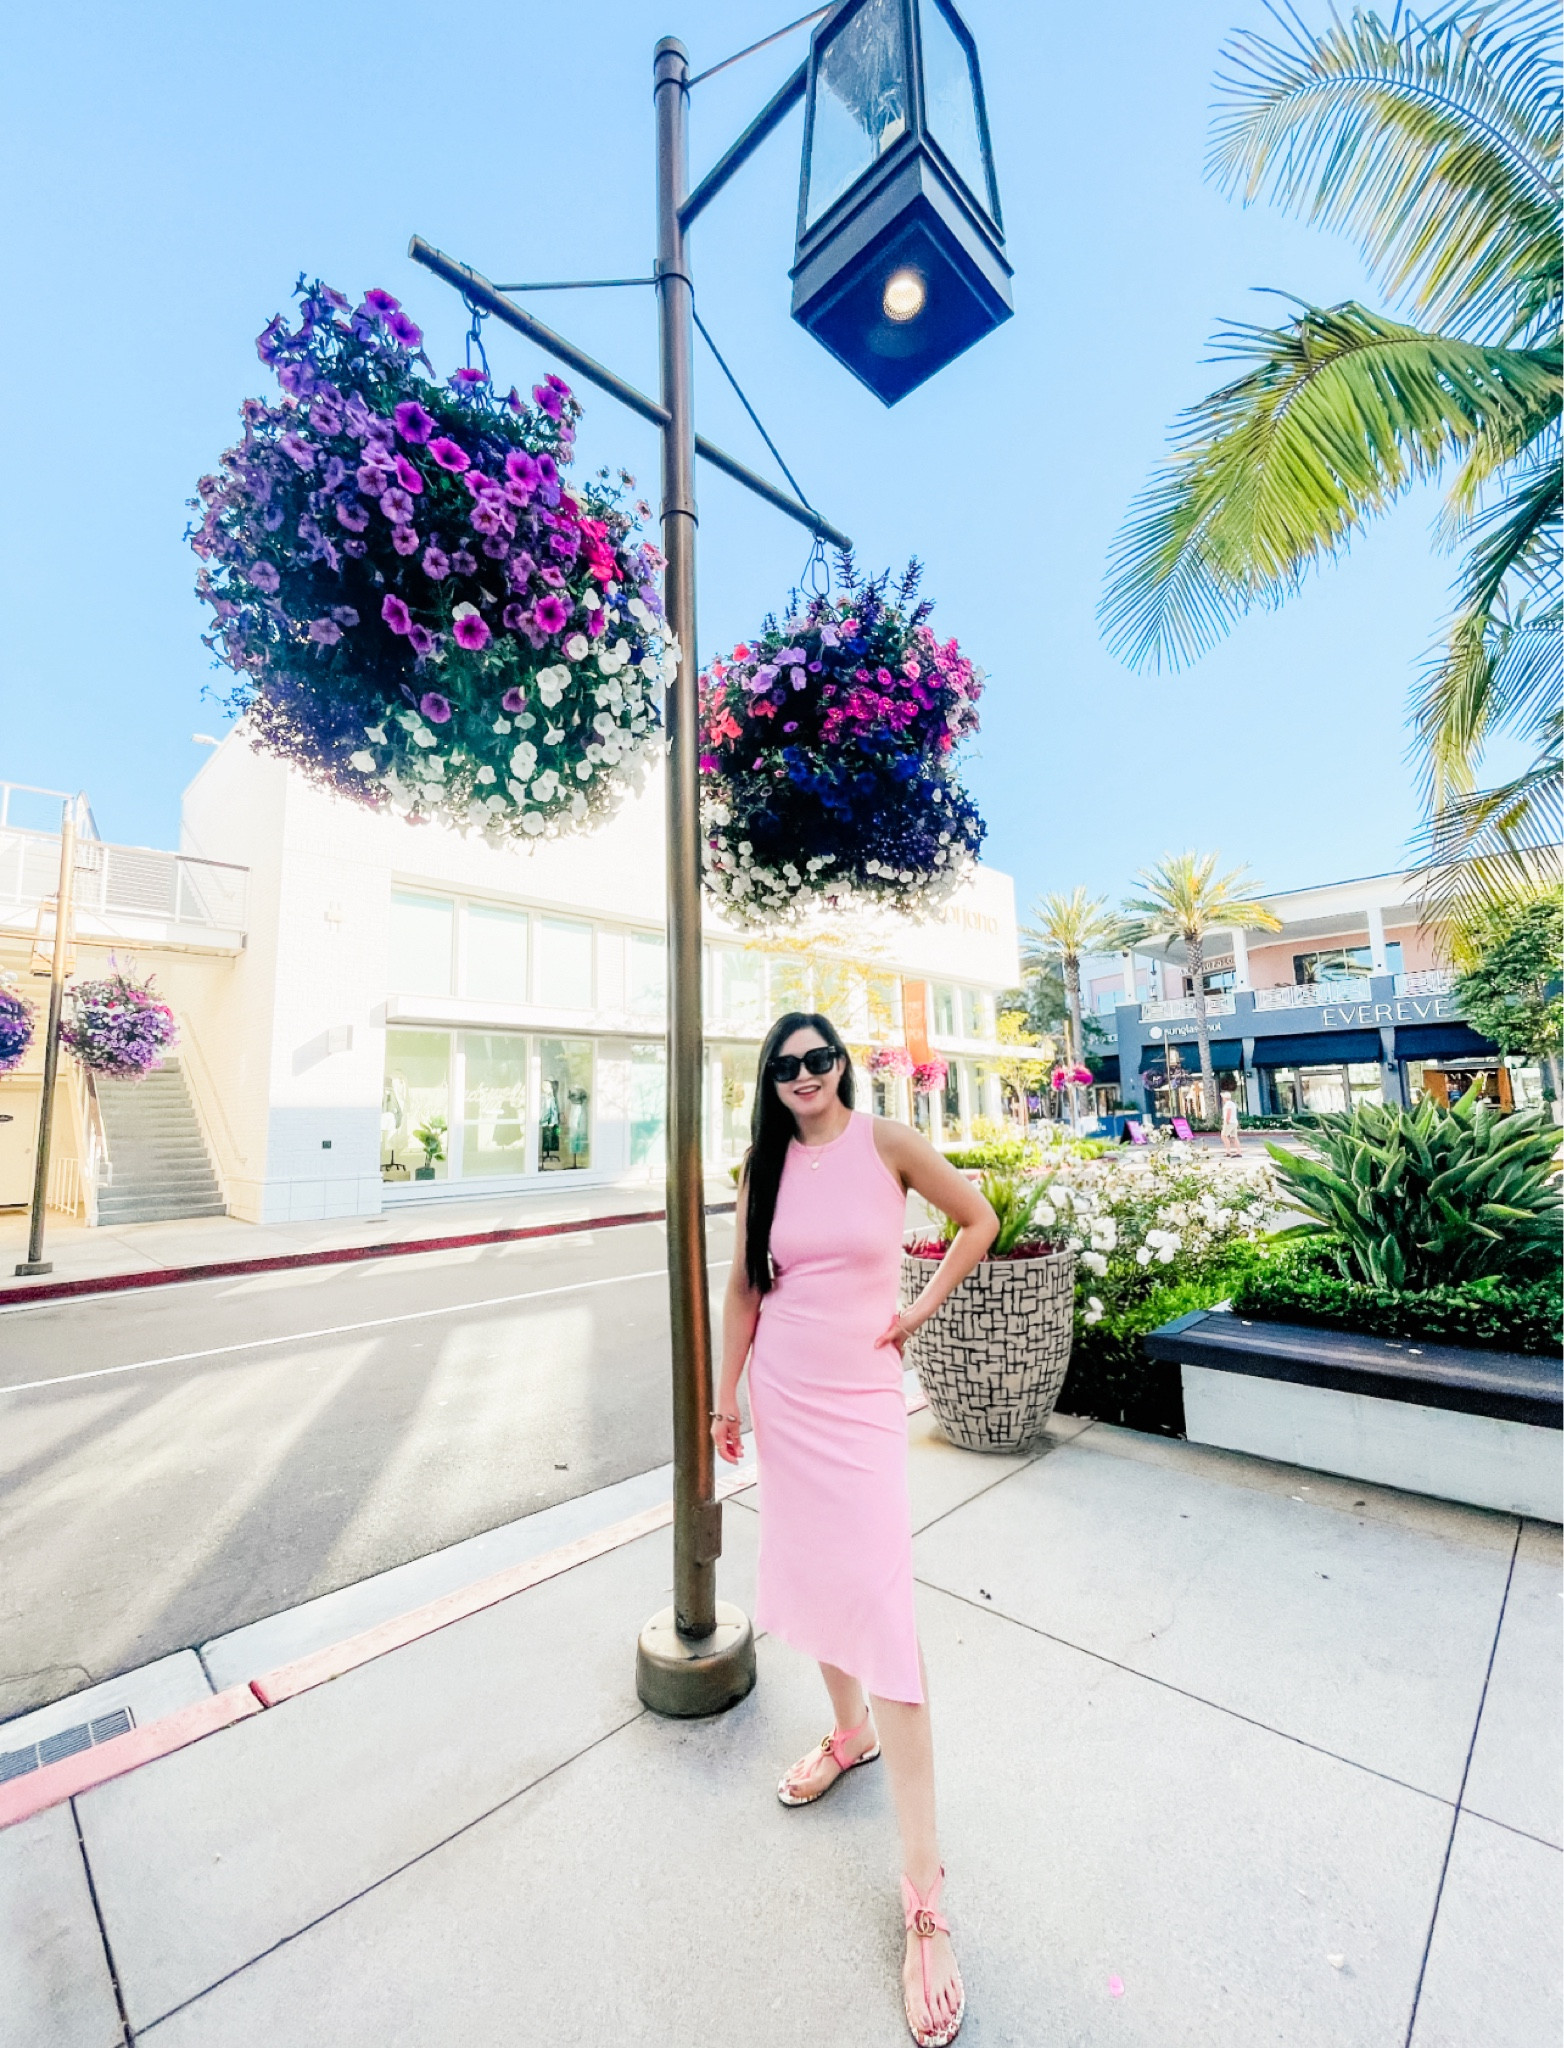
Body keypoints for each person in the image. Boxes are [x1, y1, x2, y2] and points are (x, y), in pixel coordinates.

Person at [712, 1012, 997, 2047]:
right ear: (770, 1077)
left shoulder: (890, 1142)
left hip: (862, 1403)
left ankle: (925, 1897)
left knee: (883, 1618)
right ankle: (848, 1733)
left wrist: (918, 1312)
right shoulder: (765, 1163)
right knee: (809, 1576)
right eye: (783, 1063)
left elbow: (979, 1218)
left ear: (842, 1063)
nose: (804, 1074)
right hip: (785, 1391)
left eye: (818, 1057)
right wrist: (724, 1396)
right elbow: (745, 1284)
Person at [1220, 1089, 1242, 1157]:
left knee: (1223, 1136)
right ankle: (1238, 1152)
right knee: (1234, 1137)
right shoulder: (1232, 1103)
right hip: (1234, 1122)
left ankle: (1228, 1151)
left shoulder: (1228, 1104)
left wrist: (1226, 1121)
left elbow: (1228, 1112)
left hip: (1229, 1122)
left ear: (1225, 1098)